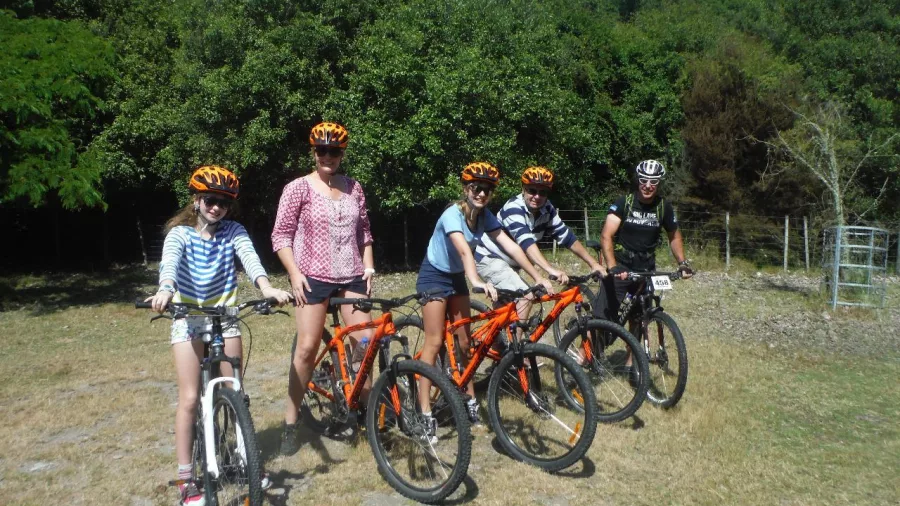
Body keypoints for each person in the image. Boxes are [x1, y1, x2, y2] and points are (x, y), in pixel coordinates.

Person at [146, 165, 292, 506]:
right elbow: (169, 265)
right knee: (189, 397)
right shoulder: (179, 234)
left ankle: (246, 459)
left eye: (224, 203)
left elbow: (251, 260)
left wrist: (267, 287)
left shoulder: (234, 231)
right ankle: (186, 477)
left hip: (225, 317)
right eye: (210, 200)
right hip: (187, 318)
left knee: (236, 392)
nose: (216, 208)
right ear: (196, 201)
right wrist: (165, 289)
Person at [415, 162, 554, 437]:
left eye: (487, 190)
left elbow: (510, 244)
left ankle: (468, 399)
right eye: (476, 188)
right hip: (433, 276)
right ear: (466, 188)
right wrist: (477, 281)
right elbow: (465, 252)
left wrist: (537, 275)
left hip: (455, 278)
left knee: (465, 343)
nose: (481, 194)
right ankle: (424, 410)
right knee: (433, 341)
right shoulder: (451, 215)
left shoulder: (485, 216)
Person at [272, 121, 375, 455]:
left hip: (351, 274)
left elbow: (365, 234)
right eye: (322, 150)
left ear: (342, 153)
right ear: (313, 152)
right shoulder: (298, 188)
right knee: (306, 348)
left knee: (365, 342)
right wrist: (294, 273)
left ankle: (365, 412)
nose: (328, 156)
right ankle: (291, 420)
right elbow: (280, 236)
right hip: (312, 276)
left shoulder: (354, 188)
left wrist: (369, 265)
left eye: (335, 151)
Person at [475, 166, 606, 333]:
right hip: (490, 258)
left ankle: (500, 347)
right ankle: (516, 353)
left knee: (507, 311)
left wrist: (593, 263)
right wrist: (546, 272)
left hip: (512, 264)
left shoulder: (547, 209)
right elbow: (526, 243)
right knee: (526, 296)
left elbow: (567, 237)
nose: (537, 196)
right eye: (532, 190)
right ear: (523, 189)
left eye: (542, 192)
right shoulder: (514, 208)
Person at [600, 159, 693, 317]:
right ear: (638, 180)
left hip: (646, 269)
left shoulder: (663, 207)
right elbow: (606, 235)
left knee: (639, 317)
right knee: (604, 315)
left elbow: (674, 236)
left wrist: (682, 264)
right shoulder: (625, 202)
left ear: (658, 183)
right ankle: (587, 335)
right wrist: (612, 266)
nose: (648, 185)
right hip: (621, 265)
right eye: (644, 180)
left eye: (654, 181)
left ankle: (633, 342)